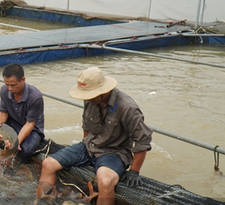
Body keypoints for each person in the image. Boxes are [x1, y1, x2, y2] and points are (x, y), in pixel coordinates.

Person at [38, 67, 153, 205]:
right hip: (89, 146)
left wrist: (134, 171)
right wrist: (83, 147)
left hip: (114, 152)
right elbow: (86, 126)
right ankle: (43, 201)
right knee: (48, 164)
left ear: (103, 92)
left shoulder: (127, 107)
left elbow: (143, 139)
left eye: (89, 95)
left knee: (105, 182)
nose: (86, 98)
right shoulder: (90, 100)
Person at [0, 64, 45, 163]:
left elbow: (30, 124)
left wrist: (16, 143)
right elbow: (3, 112)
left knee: (26, 150)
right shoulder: (4, 90)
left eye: (13, 85)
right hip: (15, 121)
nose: (10, 88)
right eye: (7, 84)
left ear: (23, 80)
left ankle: (18, 166)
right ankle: (3, 159)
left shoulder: (35, 97)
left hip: (33, 129)